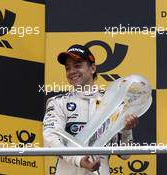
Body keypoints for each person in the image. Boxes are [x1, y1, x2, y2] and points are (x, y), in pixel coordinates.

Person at [43, 44, 138, 175]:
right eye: (68, 68)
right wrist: (80, 160)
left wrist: (127, 129)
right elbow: (50, 140)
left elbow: (125, 154)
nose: (71, 72)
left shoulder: (113, 104)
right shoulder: (58, 102)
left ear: (92, 68)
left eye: (77, 66)